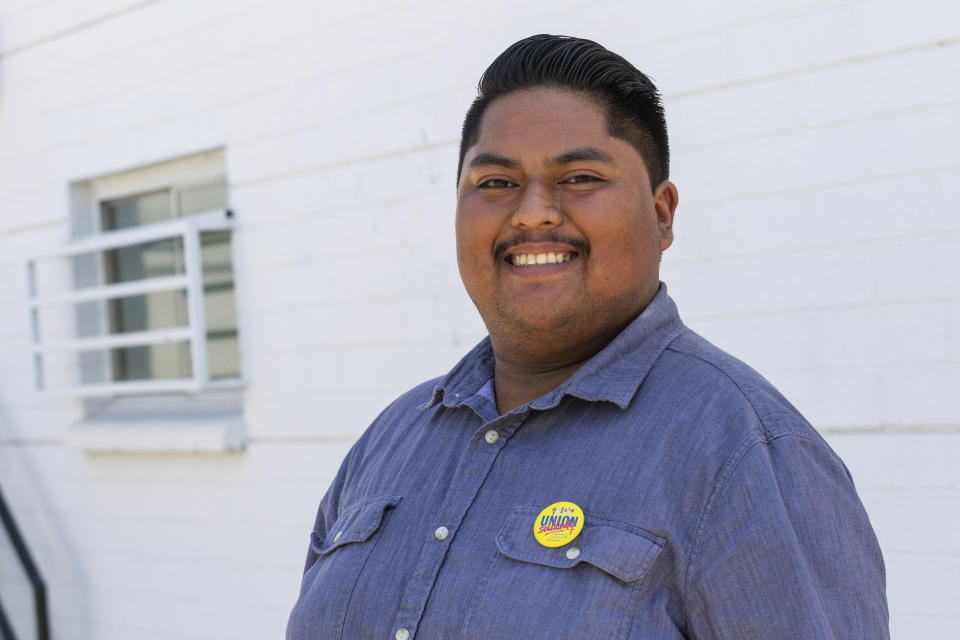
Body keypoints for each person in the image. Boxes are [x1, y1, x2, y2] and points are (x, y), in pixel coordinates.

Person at [286, 34, 889, 639]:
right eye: (496, 183)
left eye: (578, 177)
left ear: (662, 214)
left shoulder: (746, 454)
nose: (532, 213)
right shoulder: (394, 437)